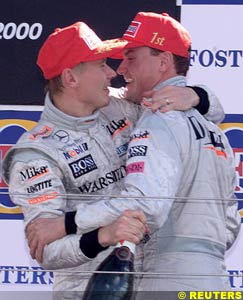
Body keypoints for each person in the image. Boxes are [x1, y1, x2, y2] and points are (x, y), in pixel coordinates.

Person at [2, 18, 228, 298]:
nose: (112, 73)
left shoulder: (120, 107)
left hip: (144, 285)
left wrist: (195, 95)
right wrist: (102, 236)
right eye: (101, 65)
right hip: (85, 292)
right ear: (71, 78)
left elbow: (211, 113)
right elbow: (46, 250)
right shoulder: (35, 154)